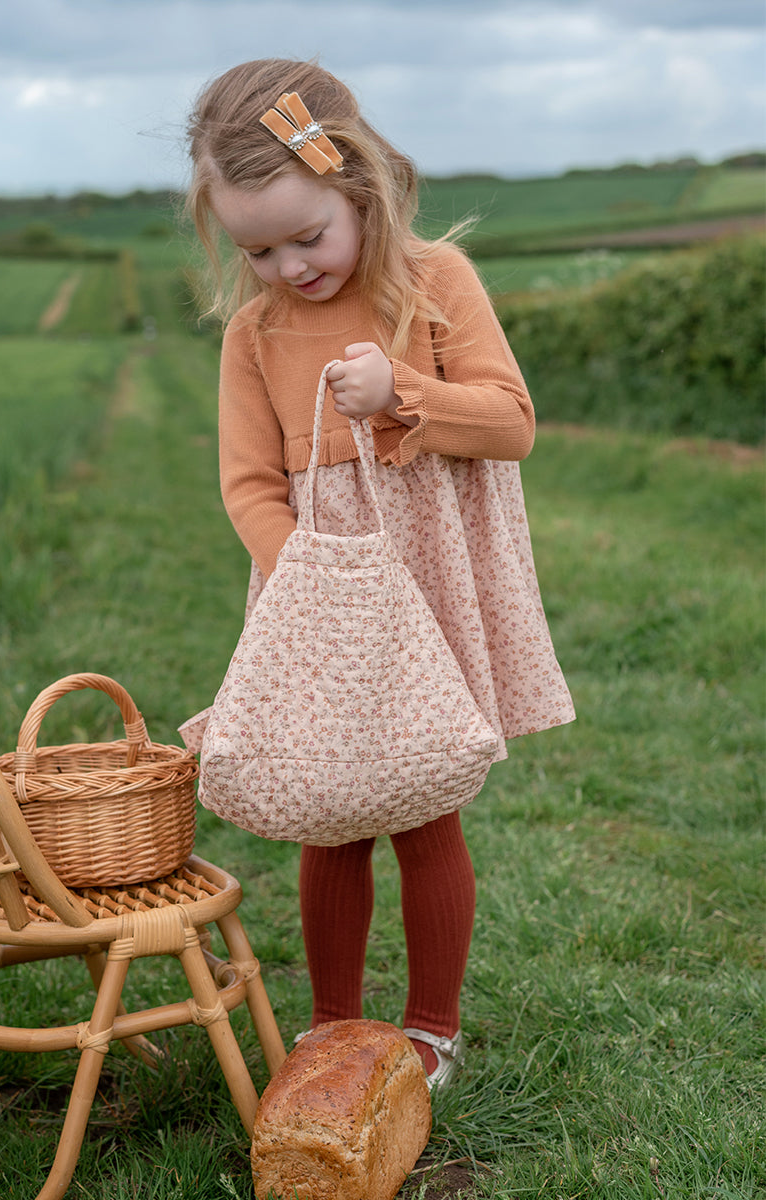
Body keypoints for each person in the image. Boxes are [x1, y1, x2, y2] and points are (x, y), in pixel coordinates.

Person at [184, 58, 575, 1089]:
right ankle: (334, 1027)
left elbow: (513, 424)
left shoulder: (436, 282)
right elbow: (248, 484)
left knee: (423, 800)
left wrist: (401, 391)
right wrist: (310, 584)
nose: (287, 267)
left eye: (307, 236)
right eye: (257, 250)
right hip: (320, 598)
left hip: (428, 583)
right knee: (331, 807)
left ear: (356, 185)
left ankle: (432, 1029)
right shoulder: (253, 334)